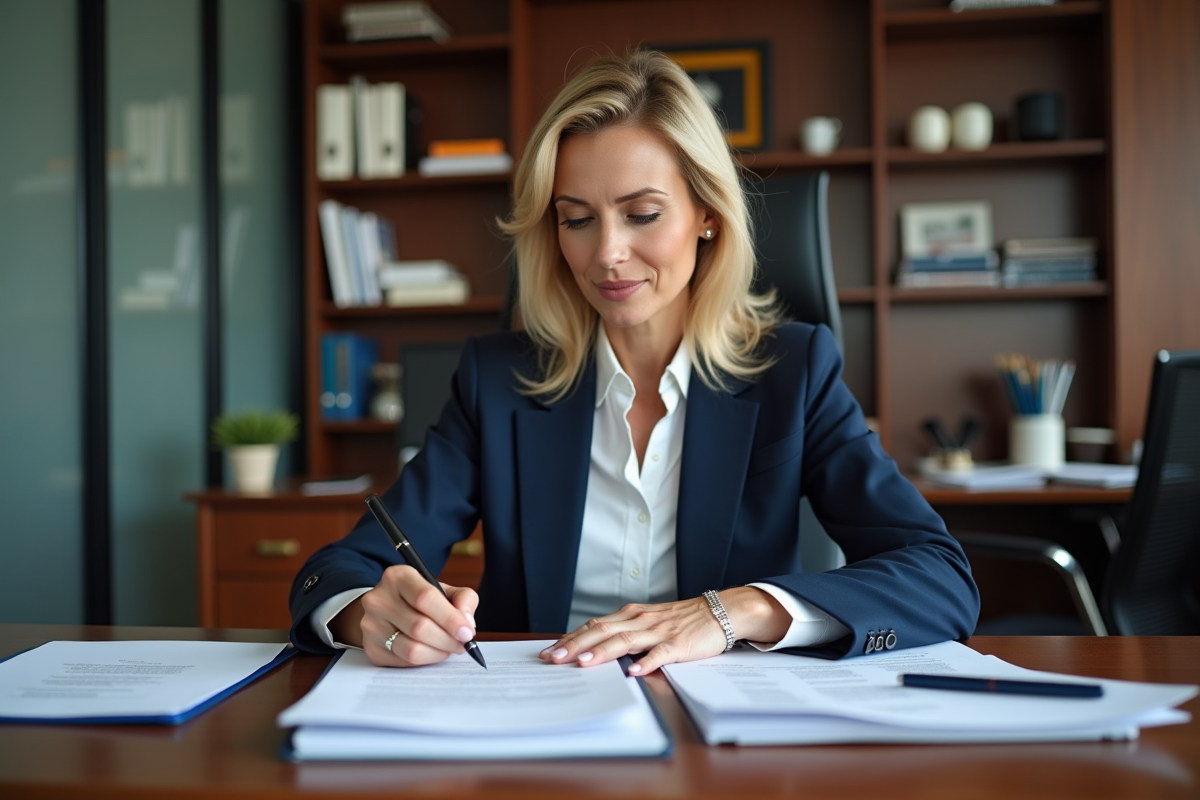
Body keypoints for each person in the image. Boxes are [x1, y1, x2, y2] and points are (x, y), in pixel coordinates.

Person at [289, 50, 978, 675]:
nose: (607, 254)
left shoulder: (793, 371)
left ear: (706, 213)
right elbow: (340, 570)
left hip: (730, 732)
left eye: (642, 213)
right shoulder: (496, 381)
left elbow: (940, 577)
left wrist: (734, 612)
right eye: (577, 219)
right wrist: (369, 616)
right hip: (539, 716)